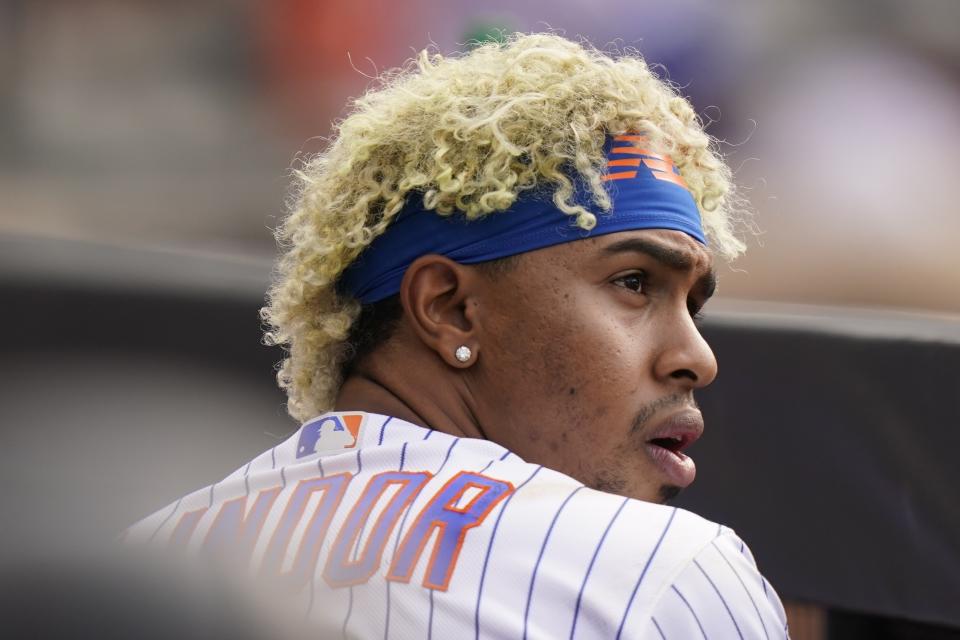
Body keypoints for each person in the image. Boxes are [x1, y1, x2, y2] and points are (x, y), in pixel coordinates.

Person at [127, 33, 788, 638]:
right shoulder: (664, 570)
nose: (696, 359)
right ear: (449, 309)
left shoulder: (146, 556)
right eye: (635, 284)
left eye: (692, 305)